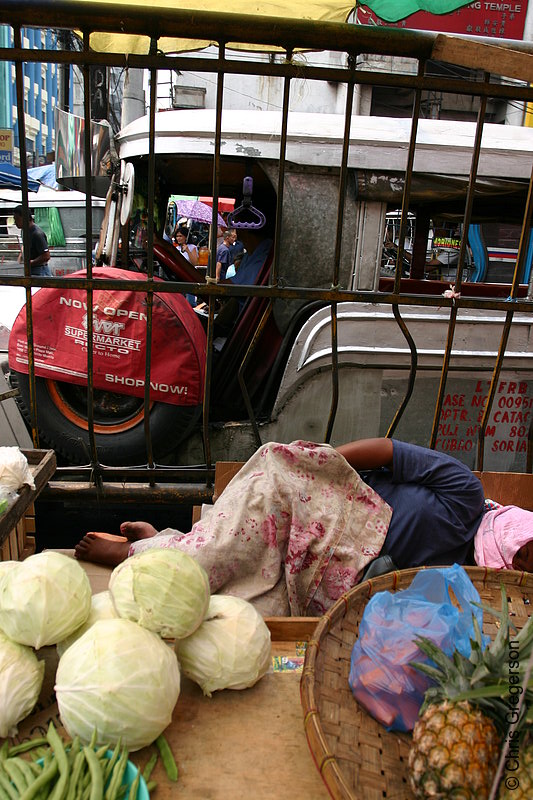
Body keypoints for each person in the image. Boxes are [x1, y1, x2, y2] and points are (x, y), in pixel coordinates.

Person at [74, 437, 532, 616]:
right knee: (234, 540)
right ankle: (138, 555)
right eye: (528, 549)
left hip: (330, 577)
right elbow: (387, 453)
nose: (522, 560)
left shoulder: (467, 585)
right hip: (328, 507)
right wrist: (317, 467)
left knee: (248, 608)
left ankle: (167, 543)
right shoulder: (466, 497)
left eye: (528, 566)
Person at [13, 205, 52, 276]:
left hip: (40, 271)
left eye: (17, 219)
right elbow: (25, 245)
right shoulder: (24, 231)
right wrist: (19, 260)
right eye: (14, 220)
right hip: (30, 269)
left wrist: (31, 262)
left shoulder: (37, 234)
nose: (15, 222)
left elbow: (46, 256)